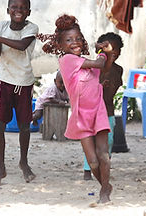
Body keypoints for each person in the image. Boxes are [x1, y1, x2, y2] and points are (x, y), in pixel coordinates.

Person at [40, 14, 114, 204]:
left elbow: (103, 68)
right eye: (69, 40)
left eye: (78, 38)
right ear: (60, 45)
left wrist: (109, 54)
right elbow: (100, 62)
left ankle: (104, 191)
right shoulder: (67, 61)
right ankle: (105, 185)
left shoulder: (86, 63)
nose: (75, 42)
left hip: (98, 112)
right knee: (93, 161)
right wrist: (103, 52)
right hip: (81, 115)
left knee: (104, 155)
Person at [0, 0, 38, 185]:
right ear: (8, 10)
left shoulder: (31, 28)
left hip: (23, 82)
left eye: (23, 8)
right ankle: (0, 167)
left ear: (28, 12)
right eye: (14, 8)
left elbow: (22, 46)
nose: (18, 11)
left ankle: (23, 162)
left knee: (25, 125)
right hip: (3, 79)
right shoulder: (0, 27)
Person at [83, 32, 124, 181]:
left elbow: (113, 92)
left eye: (115, 49)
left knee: (109, 140)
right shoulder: (94, 67)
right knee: (90, 141)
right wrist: (99, 87)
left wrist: (106, 89)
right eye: (107, 47)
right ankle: (88, 170)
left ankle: (104, 168)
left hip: (108, 111)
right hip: (92, 110)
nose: (112, 52)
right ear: (99, 50)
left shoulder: (118, 70)